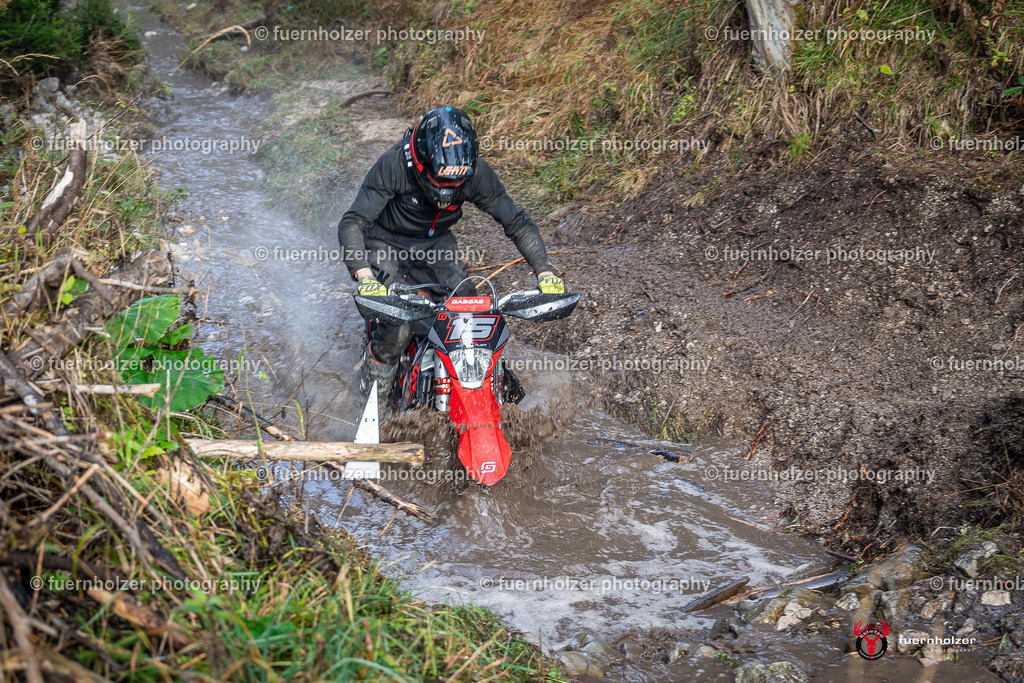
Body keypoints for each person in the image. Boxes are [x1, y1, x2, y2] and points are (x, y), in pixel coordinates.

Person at [337, 106, 564, 399]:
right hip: (386, 242)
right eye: (441, 182)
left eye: (455, 183)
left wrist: (544, 270)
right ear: (422, 165)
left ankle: (482, 389)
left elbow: (516, 222)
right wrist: (365, 276)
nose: (447, 190)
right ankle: (375, 392)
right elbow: (353, 222)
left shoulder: (477, 174)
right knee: (398, 326)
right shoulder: (394, 164)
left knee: (472, 314)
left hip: (437, 245)